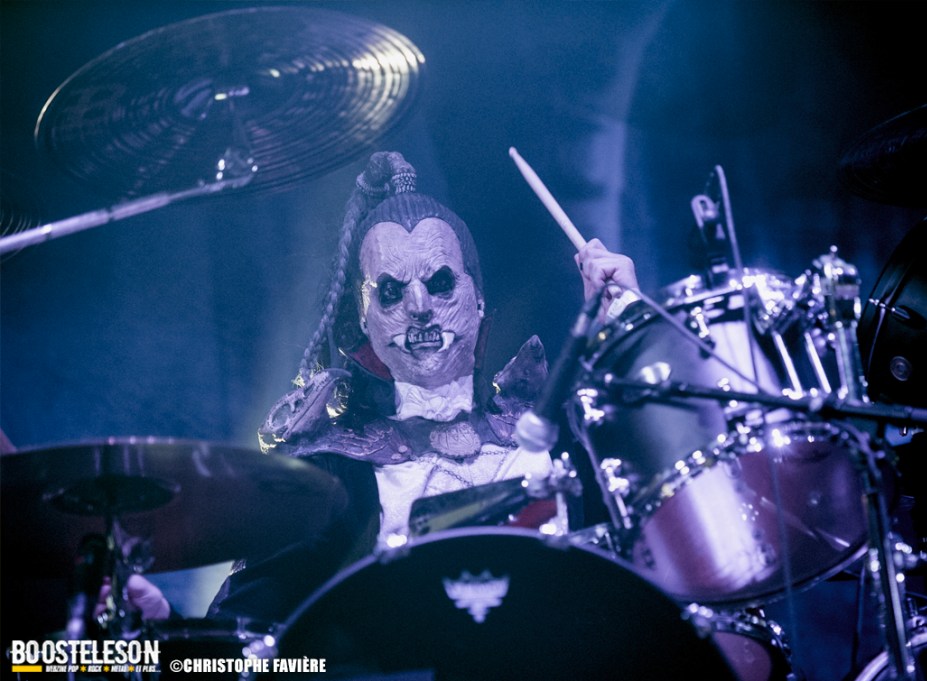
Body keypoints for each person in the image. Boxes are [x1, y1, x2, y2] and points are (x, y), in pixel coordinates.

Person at [114, 150, 640, 628]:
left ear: (477, 298)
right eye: (390, 291)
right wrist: (165, 629)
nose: (419, 307)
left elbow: (663, 527)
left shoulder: (561, 426)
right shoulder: (332, 470)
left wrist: (633, 330)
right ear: (365, 320)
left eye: (439, 283)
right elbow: (242, 638)